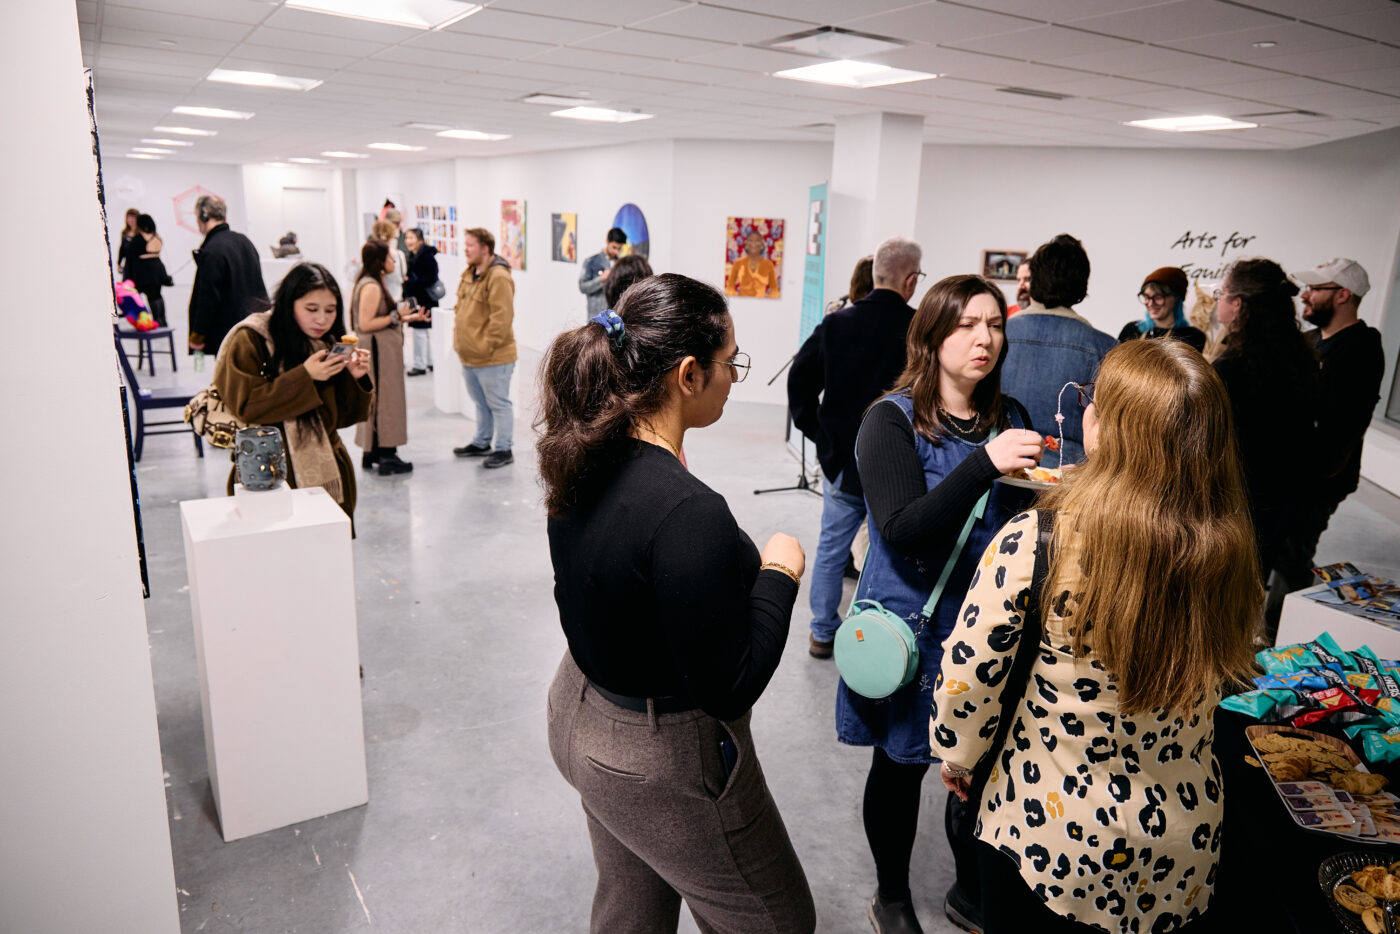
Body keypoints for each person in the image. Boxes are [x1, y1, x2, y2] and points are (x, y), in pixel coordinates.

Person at [932, 338, 1261, 932]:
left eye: (1093, 399)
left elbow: (969, 675)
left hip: (1048, 835)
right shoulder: (1232, 554)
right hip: (1180, 844)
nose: (1083, 409)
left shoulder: (1039, 540)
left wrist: (957, 756)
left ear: (1111, 430)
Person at [539, 273, 815, 934]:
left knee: (632, 904)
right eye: (731, 364)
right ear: (689, 374)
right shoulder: (687, 511)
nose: (734, 379)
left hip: (578, 711)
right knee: (778, 920)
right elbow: (730, 686)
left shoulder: (582, 452)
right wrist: (780, 572)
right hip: (654, 760)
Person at [840, 274, 1042, 934]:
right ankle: (892, 897)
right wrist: (985, 464)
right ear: (930, 336)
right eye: (966, 325)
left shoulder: (1010, 417)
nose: (985, 338)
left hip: (989, 630)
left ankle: (969, 888)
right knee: (900, 769)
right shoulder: (890, 420)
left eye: (996, 324)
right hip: (914, 626)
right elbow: (903, 529)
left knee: (977, 767)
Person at [788, 237, 923, 660]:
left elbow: (799, 383)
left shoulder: (836, 325)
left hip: (842, 461)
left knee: (831, 550)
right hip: (900, 464)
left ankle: (822, 633)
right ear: (911, 280)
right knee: (889, 553)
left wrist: (820, 435)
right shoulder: (920, 330)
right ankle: (880, 635)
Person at [1267, 258, 1385, 623]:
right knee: (1279, 550)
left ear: (1343, 294)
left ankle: (1278, 628)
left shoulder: (1361, 348)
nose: (1306, 295)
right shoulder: (1309, 341)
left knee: (1292, 555)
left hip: (1318, 479)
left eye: (1316, 289)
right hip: (1289, 474)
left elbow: (1340, 426)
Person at [212, 262, 373, 522]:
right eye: (311, 309)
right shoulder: (251, 338)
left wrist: (356, 378)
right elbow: (246, 407)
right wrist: (305, 376)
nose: (322, 319)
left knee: (325, 545)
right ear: (289, 304)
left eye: (330, 310)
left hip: (329, 472)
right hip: (266, 474)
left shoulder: (326, 343)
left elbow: (342, 418)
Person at [1211, 258, 1318, 636]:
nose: (1218, 301)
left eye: (1222, 293)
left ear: (1238, 304)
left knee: (1223, 596)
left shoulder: (1232, 366)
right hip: (1284, 495)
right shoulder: (1301, 357)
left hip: (1237, 498)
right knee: (1251, 588)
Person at [1001, 234, 1115, 465]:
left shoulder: (998, 334)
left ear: (1034, 279)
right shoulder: (1105, 347)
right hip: (1070, 474)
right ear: (1081, 285)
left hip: (1003, 465)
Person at [352, 239, 425, 475]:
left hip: (381, 351)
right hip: (379, 354)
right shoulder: (372, 286)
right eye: (390, 258)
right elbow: (366, 323)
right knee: (385, 400)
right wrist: (396, 317)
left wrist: (406, 317)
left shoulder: (372, 282)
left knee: (380, 399)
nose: (394, 261)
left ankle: (373, 451)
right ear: (380, 262)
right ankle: (386, 454)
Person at [452, 227, 517, 469]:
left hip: (493, 357)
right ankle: (481, 442)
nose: (466, 249)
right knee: (481, 403)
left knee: (498, 404)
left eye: (470, 245)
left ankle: (504, 449)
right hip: (470, 356)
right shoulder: (469, 273)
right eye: (466, 244)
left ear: (485, 248)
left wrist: (485, 346)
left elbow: (502, 318)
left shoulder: (498, 276)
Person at [188, 194, 268, 356]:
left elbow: (208, 298)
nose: (197, 222)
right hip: (254, 325)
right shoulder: (243, 241)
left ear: (204, 215)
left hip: (228, 332)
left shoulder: (212, 250)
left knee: (229, 372)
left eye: (197, 216)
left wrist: (197, 335)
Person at [1117, 266, 1206, 352]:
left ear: (1176, 298)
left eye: (1158, 297)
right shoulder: (1131, 330)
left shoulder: (1191, 336)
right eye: (1147, 297)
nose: (1151, 303)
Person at [401, 227, 438, 377]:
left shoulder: (427, 257)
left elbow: (431, 278)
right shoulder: (413, 255)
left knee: (419, 331)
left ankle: (420, 364)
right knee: (421, 332)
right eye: (407, 238)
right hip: (415, 298)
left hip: (424, 299)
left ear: (420, 240)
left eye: (411, 238)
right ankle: (428, 361)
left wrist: (409, 282)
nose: (408, 241)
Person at [127, 213, 169, 327]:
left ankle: (157, 321)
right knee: (157, 296)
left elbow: (130, 255)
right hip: (158, 270)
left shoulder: (139, 239)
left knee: (152, 297)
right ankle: (162, 321)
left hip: (146, 273)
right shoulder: (156, 236)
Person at [579, 227, 627, 318]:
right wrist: (601, 279)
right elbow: (582, 287)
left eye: (619, 249)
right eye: (614, 247)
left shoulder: (622, 265)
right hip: (596, 318)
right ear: (607, 241)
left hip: (616, 317)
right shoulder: (591, 261)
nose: (616, 252)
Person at [727, 229, 779, 298]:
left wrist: (769, 301)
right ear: (746, 244)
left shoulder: (768, 264)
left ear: (762, 245)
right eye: (750, 241)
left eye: (757, 241)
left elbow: (774, 289)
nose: (754, 245)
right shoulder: (738, 263)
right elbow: (730, 287)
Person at [373, 219, 407, 309]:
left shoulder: (374, 255)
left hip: (379, 300)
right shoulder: (399, 255)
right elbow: (403, 274)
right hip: (396, 299)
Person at [117, 207, 142, 280]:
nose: (131, 220)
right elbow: (122, 248)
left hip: (140, 264)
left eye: (133, 217)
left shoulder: (142, 233)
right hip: (128, 264)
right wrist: (119, 263)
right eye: (129, 217)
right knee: (127, 284)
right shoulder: (124, 233)